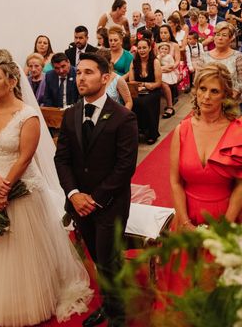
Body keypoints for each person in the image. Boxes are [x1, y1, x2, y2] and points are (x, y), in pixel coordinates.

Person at [0, 52, 92, 326]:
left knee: (22, 246)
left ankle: (33, 299)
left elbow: (25, 157)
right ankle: (0, 299)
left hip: (22, 186)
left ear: (12, 81)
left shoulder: (28, 116)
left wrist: (6, 188)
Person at [55, 53, 138, 327]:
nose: (81, 77)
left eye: (88, 72)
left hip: (110, 203)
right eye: (78, 73)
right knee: (95, 255)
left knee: (108, 260)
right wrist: (74, 195)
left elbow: (125, 167)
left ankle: (119, 315)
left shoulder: (123, 117)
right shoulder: (70, 115)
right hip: (79, 202)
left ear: (105, 78)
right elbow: (62, 159)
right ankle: (108, 304)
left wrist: (96, 198)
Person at [169, 63, 242, 229]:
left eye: (214, 91)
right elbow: (175, 181)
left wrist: (225, 225)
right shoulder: (182, 130)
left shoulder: (239, 132)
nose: (206, 96)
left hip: (228, 215)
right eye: (202, 89)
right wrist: (185, 222)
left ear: (225, 95)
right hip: (187, 216)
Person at [200, 22, 242, 100]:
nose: (220, 38)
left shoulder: (237, 56)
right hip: (207, 99)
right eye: (217, 34)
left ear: (231, 38)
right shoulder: (204, 56)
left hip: (229, 100)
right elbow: (198, 81)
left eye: (224, 35)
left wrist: (233, 94)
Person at [128, 37, 162, 144]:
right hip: (138, 90)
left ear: (149, 49)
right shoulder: (134, 61)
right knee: (133, 101)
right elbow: (131, 80)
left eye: (144, 48)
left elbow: (158, 83)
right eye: (139, 48)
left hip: (153, 90)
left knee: (145, 102)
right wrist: (141, 86)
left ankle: (152, 133)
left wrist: (145, 85)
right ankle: (137, 130)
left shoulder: (155, 62)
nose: (142, 50)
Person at [158, 42, 178, 118]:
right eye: (162, 49)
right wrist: (160, 57)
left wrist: (164, 68)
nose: (164, 50)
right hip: (161, 72)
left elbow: (172, 65)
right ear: (159, 50)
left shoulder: (169, 57)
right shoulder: (158, 56)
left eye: (166, 49)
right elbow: (157, 64)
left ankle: (170, 106)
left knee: (164, 83)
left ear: (168, 51)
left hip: (167, 72)